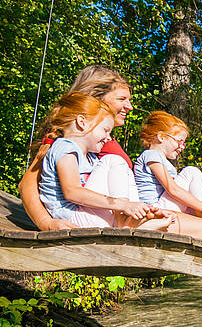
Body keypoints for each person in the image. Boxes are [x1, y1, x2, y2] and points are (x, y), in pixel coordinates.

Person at [19, 65, 202, 270]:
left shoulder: (94, 140)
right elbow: (28, 184)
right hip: (117, 222)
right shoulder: (65, 141)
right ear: (96, 99)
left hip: (123, 215)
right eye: (122, 99)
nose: (129, 106)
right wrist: (48, 225)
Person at [32, 91, 167, 229]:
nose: (108, 138)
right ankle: (125, 220)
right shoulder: (64, 147)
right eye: (105, 130)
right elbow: (72, 192)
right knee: (113, 160)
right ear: (82, 122)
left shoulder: (91, 158)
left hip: (88, 215)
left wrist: (133, 205)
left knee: (125, 169)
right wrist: (124, 205)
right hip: (72, 216)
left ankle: (135, 217)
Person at [134, 111, 202, 220]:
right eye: (179, 141)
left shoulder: (163, 161)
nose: (182, 147)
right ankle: (201, 212)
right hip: (154, 209)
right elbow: (172, 189)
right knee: (191, 171)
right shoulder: (152, 154)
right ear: (161, 137)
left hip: (166, 206)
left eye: (184, 143)